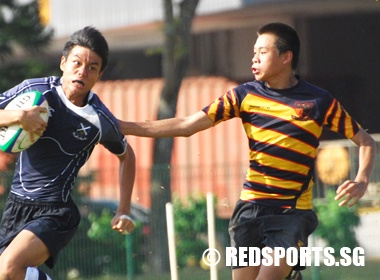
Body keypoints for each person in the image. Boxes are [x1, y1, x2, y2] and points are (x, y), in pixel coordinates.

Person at [119, 22, 376, 280]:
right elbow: (187, 125)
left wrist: (362, 179)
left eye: (262, 52)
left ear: (286, 57)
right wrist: (122, 127)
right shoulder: (243, 96)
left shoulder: (318, 101)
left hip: (292, 212)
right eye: (254, 51)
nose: (254, 57)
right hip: (250, 210)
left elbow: (366, 141)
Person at [0, 26, 136, 280]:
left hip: (56, 212)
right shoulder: (36, 91)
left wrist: (123, 208)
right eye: (77, 63)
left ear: (99, 74)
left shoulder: (98, 118)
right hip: (16, 205)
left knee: (10, 267)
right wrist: (19, 117)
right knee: (6, 275)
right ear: (63, 63)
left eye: (92, 67)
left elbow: (127, 155)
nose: (82, 71)